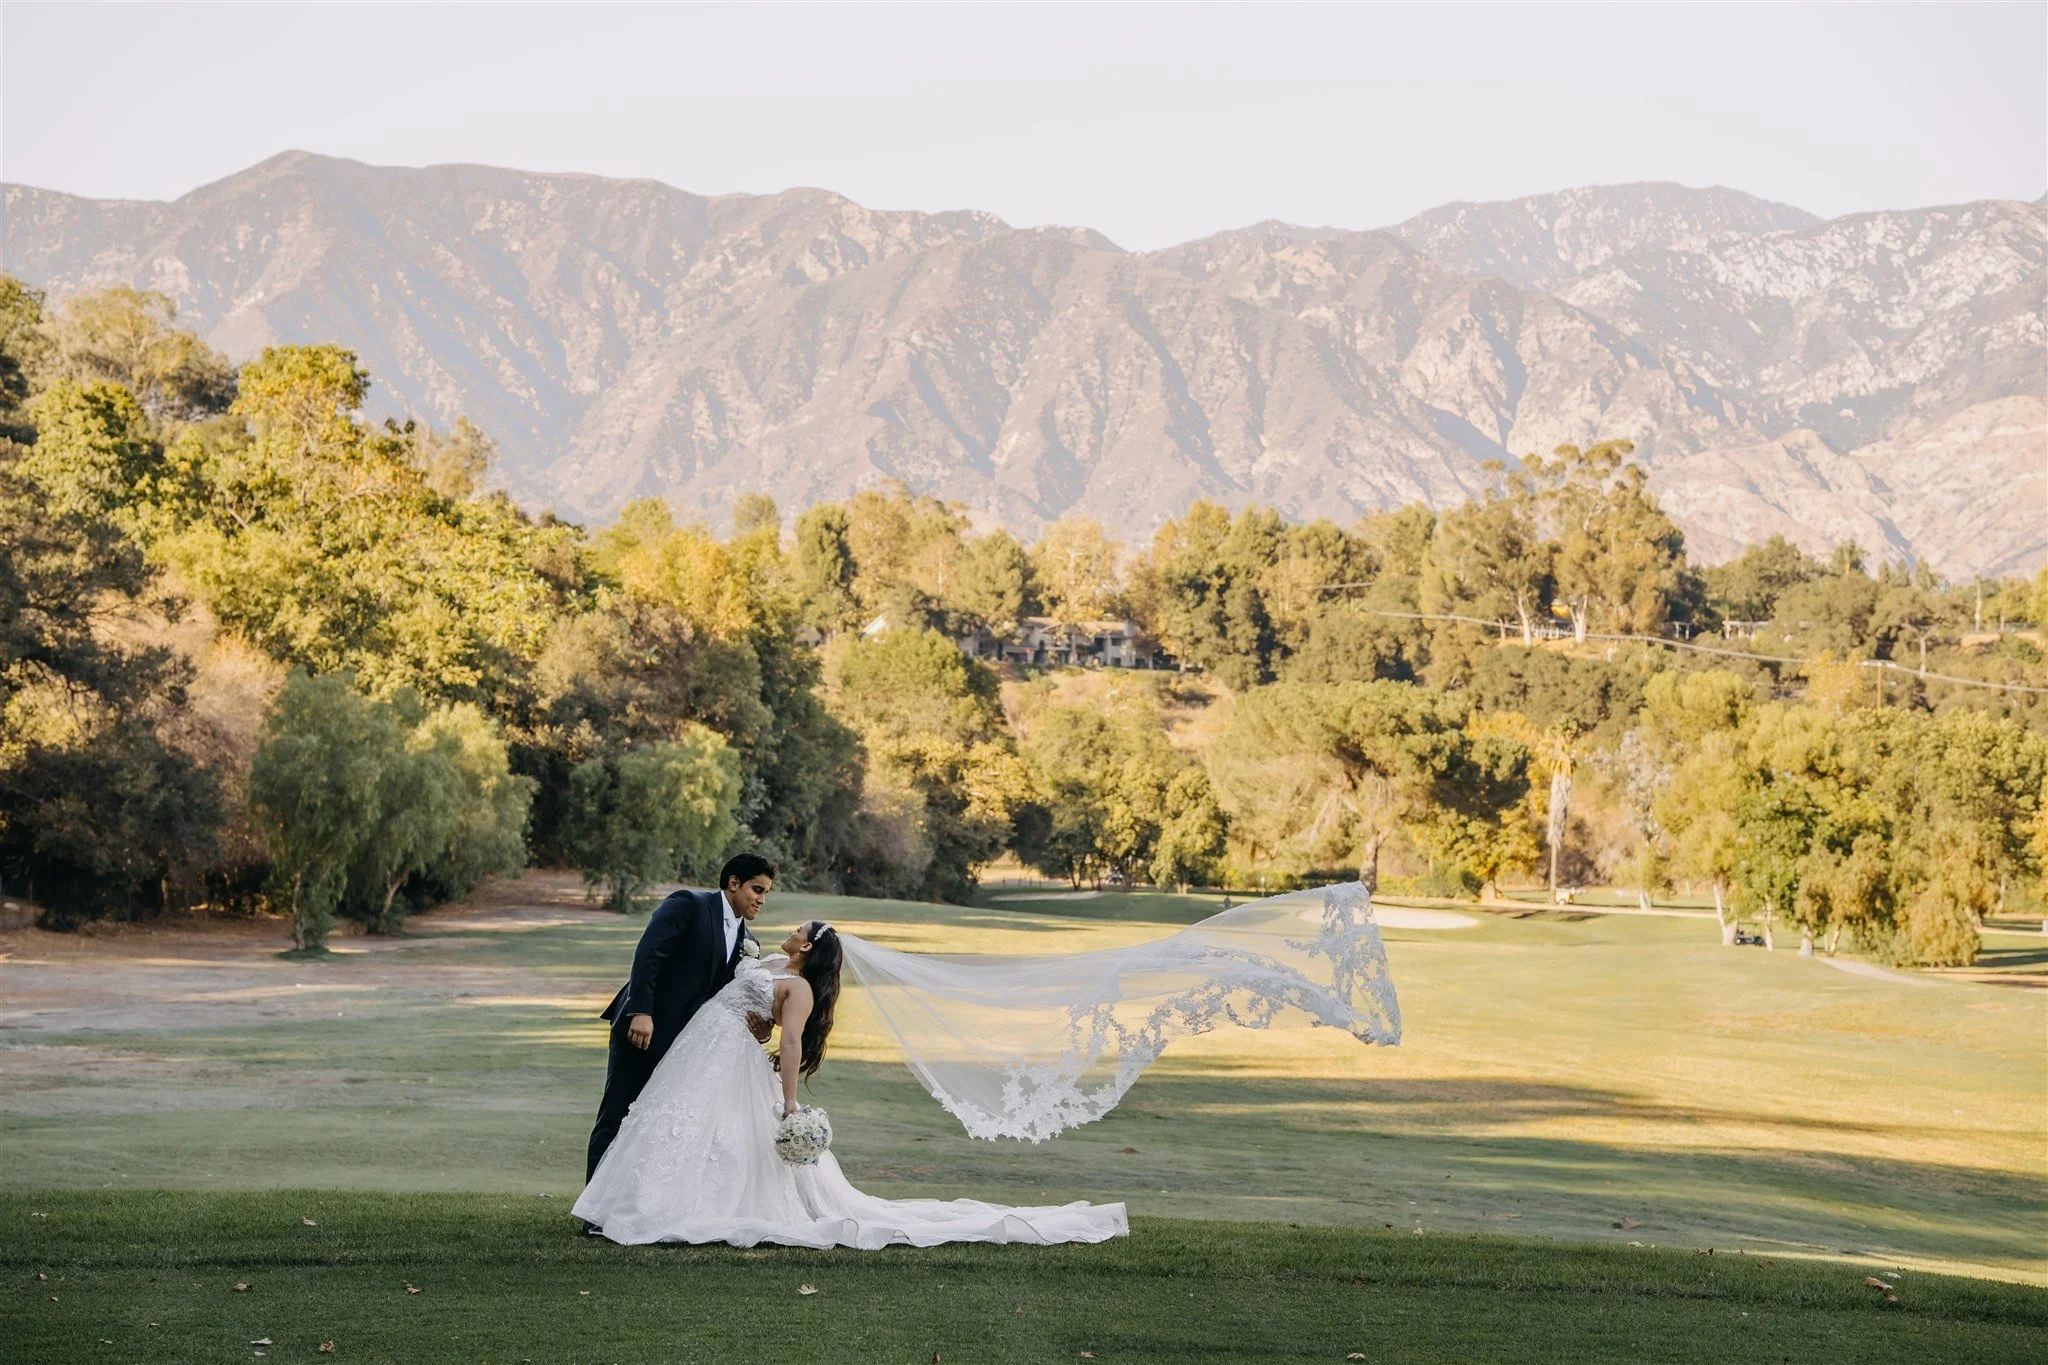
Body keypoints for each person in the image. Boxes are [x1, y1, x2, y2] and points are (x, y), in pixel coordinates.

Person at [572, 919, 1129, 1248]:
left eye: (801, 929)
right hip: (703, 1053)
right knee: (676, 1128)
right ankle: (635, 1204)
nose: (791, 928)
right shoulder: (768, 962)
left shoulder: (802, 990)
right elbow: (744, 1001)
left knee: (709, 1134)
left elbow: (790, 1043)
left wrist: (789, 1106)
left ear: (808, 946)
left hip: (730, 1065)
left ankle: (679, 1209)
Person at [583, 852, 775, 1182]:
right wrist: (640, 1010)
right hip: (643, 1031)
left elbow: (730, 998)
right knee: (619, 1113)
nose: (761, 899)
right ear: (733, 883)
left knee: (654, 1124)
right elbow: (649, 954)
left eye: (765, 893)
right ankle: (592, 1212)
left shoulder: (750, 942)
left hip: (688, 1049)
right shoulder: (689, 905)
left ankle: (627, 1204)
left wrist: (760, 1026)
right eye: (757, 889)